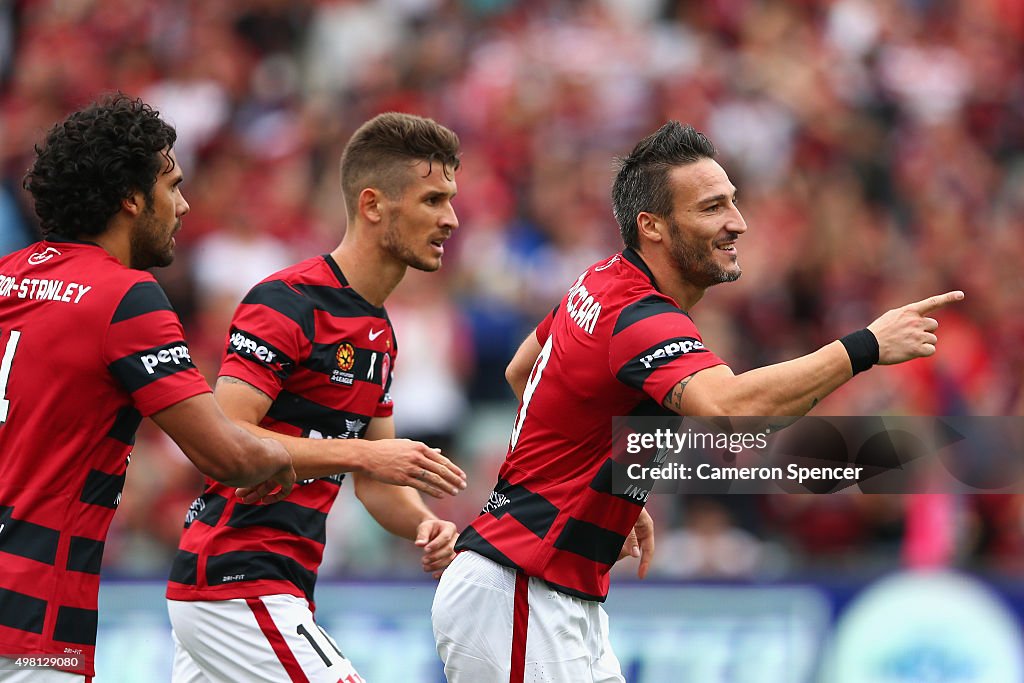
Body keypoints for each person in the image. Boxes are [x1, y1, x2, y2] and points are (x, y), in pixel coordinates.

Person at [431, 121, 965, 682]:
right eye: (712, 208)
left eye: (732, 202)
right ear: (653, 227)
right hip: (522, 589)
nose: (737, 222)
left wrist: (603, 490)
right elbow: (730, 411)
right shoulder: (639, 314)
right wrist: (866, 346)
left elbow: (526, 369)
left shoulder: (601, 280)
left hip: (549, 594)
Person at [0, 94, 296, 682]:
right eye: (173, 185)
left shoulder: (7, 277)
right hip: (32, 622)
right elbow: (230, 455)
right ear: (132, 199)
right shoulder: (124, 297)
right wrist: (311, 456)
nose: (184, 205)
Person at [166, 112, 468, 683]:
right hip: (238, 581)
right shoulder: (288, 300)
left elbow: (378, 483)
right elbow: (226, 435)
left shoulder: (380, 333)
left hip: (268, 588)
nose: (450, 219)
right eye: (432, 200)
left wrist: (426, 523)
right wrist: (361, 455)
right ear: (374, 205)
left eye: (450, 200)